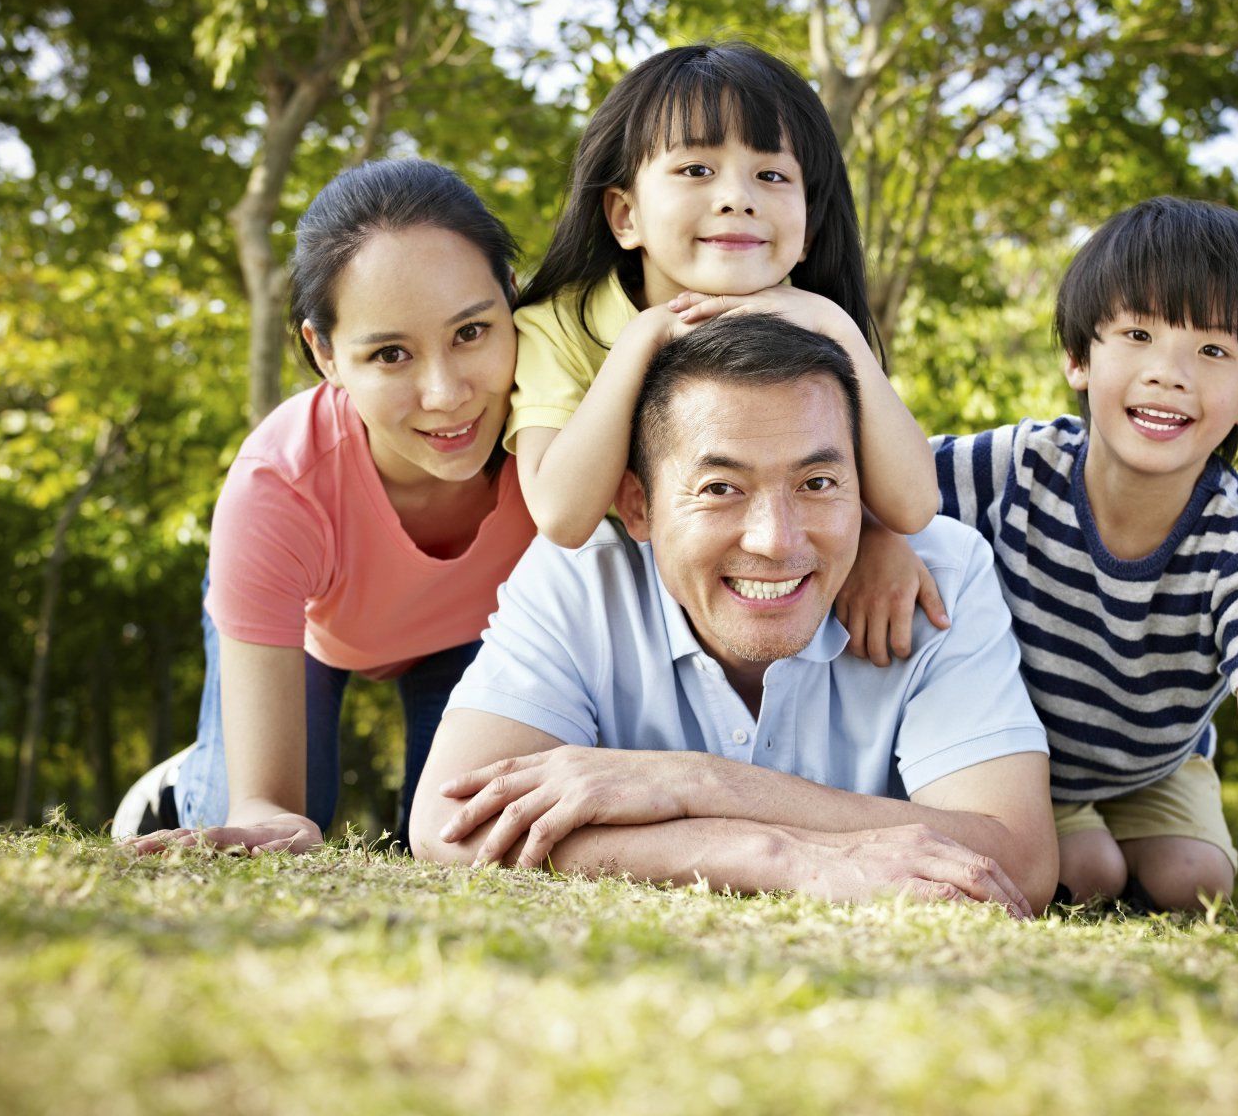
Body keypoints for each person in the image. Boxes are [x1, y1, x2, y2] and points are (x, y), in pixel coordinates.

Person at [850, 197, 1238, 946]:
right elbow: (876, 478)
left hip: (1153, 762)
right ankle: (1090, 857)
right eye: (1137, 335)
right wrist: (880, 533)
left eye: (1213, 352)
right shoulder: (1016, 466)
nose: (1167, 374)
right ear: (1080, 358)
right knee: (1087, 870)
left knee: (1194, 881)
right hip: (1024, 758)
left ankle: (1151, 862)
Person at [408, 316, 1057, 910]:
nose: (776, 540)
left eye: (818, 484)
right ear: (637, 506)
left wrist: (701, 783)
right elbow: (450, 826)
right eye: (721, 489)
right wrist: (777, 858)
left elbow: (1020, 859)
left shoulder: (939, 575)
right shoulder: (577, 580)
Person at [116, 159, 537, 854]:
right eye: (391, 354)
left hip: (475, 634)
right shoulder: (278, 486)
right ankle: (184, 781)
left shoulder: (562, 436)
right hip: (312, 632)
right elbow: (268, 807)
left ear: (512, 298)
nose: (447, 394)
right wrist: (261, 809)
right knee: (278, 817)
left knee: (465, 834)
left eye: (471, 333)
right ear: (326, 354)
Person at [506, 41, 939, 557]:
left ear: (806, 235)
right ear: (627, 216)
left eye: (772, 175)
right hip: (620, 578)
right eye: (696, 170)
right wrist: (647, 335)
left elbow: (914, 507)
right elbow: (561, 516)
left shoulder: (815, 322)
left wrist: (837, 327)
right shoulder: (556, 325)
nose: (738, 198)